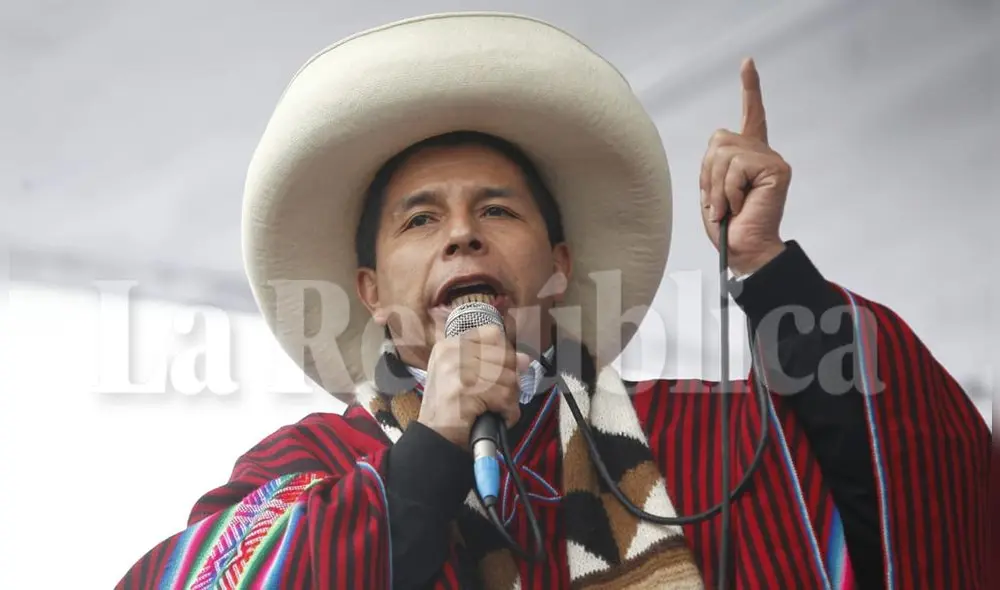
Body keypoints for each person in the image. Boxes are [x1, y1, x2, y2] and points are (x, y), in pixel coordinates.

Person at [115, 12, 990, 590]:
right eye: (421, 219)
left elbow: (932, 490)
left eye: (497, 209)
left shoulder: (707, 439)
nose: (462, 234)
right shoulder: (310, 467)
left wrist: (768, 274)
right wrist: (429, 452)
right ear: (371, 294)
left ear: (560, 266)